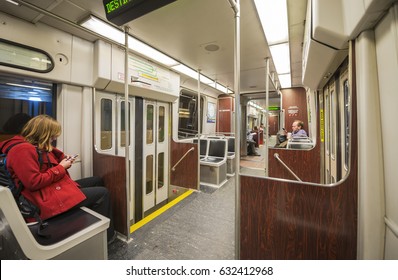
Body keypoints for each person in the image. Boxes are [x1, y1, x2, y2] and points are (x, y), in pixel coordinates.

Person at [0, 114, 116, 243]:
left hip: (49, 189)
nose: (55, 138)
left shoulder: (37, 146)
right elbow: (33, 182)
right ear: (44, 133)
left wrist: (64, 159)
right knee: (102, 193)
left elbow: (49, 162)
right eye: (53, 134)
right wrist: (61, 167)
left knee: (96, 180)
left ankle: (85, 221)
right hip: (41, 199)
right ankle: (106, 237)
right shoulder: (22, 150)